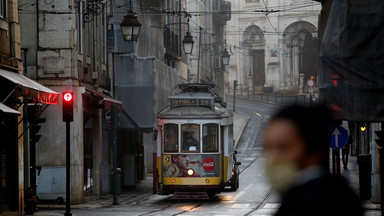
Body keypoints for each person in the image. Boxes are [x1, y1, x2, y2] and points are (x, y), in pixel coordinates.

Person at [263, 105, 363, 216]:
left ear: (313, 150)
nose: (273, 157)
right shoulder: (297, 197)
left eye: (283, 147)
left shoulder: (319, 204)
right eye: (268, 148)